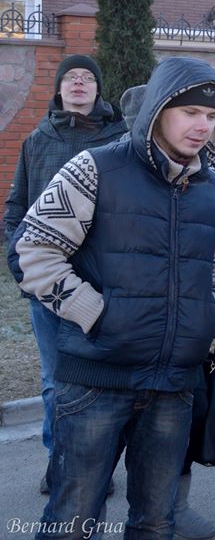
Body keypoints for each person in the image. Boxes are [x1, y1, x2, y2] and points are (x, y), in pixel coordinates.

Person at [8, 57, 215, 536]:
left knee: (155, 522)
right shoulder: (94, 167)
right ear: (158, 109)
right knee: (72, 522)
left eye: (212, 117)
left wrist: (208, 315)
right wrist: (95, 313)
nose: (202, 125)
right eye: (191, 111)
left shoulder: (211, 187)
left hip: (173, 384)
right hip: (97, 380)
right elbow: (32, 249)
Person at [3, 54, 126, 493]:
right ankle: (59, 462)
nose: (78, 83)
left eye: (87, 77)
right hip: (48, 284)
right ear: (59, 88)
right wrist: (18, 260)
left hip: (103, 280)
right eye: (70, 77)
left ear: (97, 89)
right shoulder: (39, 138)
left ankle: (97, 466)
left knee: (101, 381)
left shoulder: (120, 137)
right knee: (55, 381)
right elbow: (16, 206)